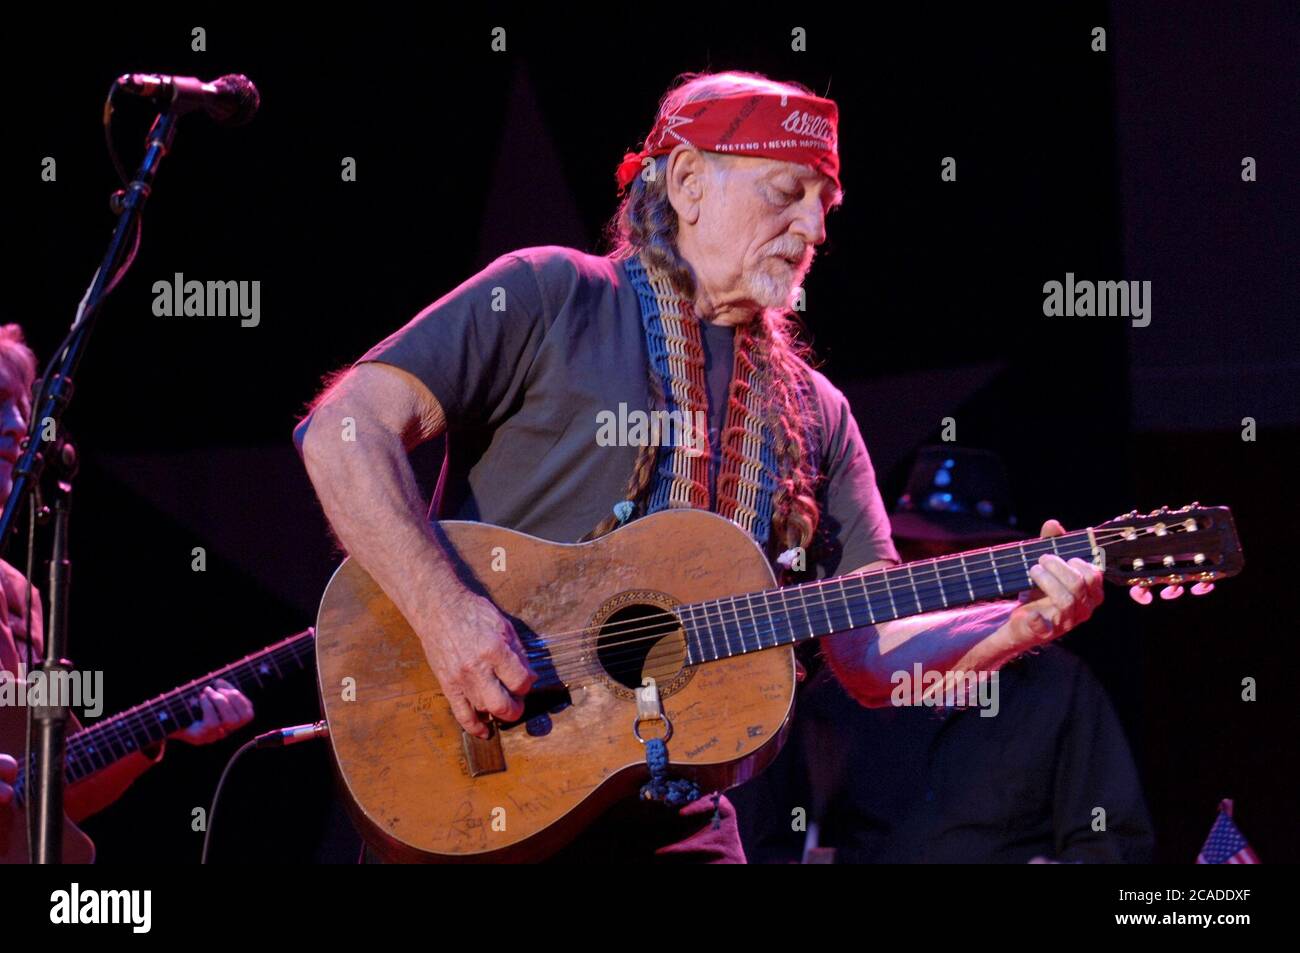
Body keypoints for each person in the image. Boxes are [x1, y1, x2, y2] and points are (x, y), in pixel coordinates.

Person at [296, 71, 1104, 862]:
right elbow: (341, 428)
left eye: (825, 205)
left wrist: (1017, 622)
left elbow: (867, 651)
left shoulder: (816, 414)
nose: (814, 229)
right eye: (786, 193)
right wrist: (446, 613)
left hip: (675, 820)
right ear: (687, 182)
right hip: (482, 786)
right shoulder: (552, 295)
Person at [732, 447, 1154, 863]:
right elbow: (768, 832)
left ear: (999, 556)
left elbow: (1110, 836)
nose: (939, 575)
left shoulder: (1060, 687)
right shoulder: (833, 686)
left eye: (958, 557)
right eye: (919, 556)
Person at [0, 323, 254, 826]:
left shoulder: (21, 595)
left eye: (21, 408)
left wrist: (155, 735)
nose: (17, 426)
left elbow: (55, 792)